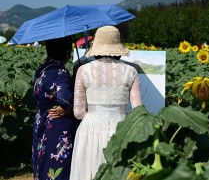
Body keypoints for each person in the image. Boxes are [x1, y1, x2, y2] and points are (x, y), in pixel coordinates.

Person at [70, 26, 143, 180]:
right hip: (121, 128)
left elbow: (78, 113)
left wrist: (93, 115)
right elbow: (138, 110)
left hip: (90, 129)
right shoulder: (131, 71)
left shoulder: (83, 70)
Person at [32, 36, 78, 180]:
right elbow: (64, 99)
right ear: (66, 52)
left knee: (42, 162)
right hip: (56, 126)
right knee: (56, 166)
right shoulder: (60, 73)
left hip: (41, 120)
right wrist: (71, 107)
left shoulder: (41, 69)